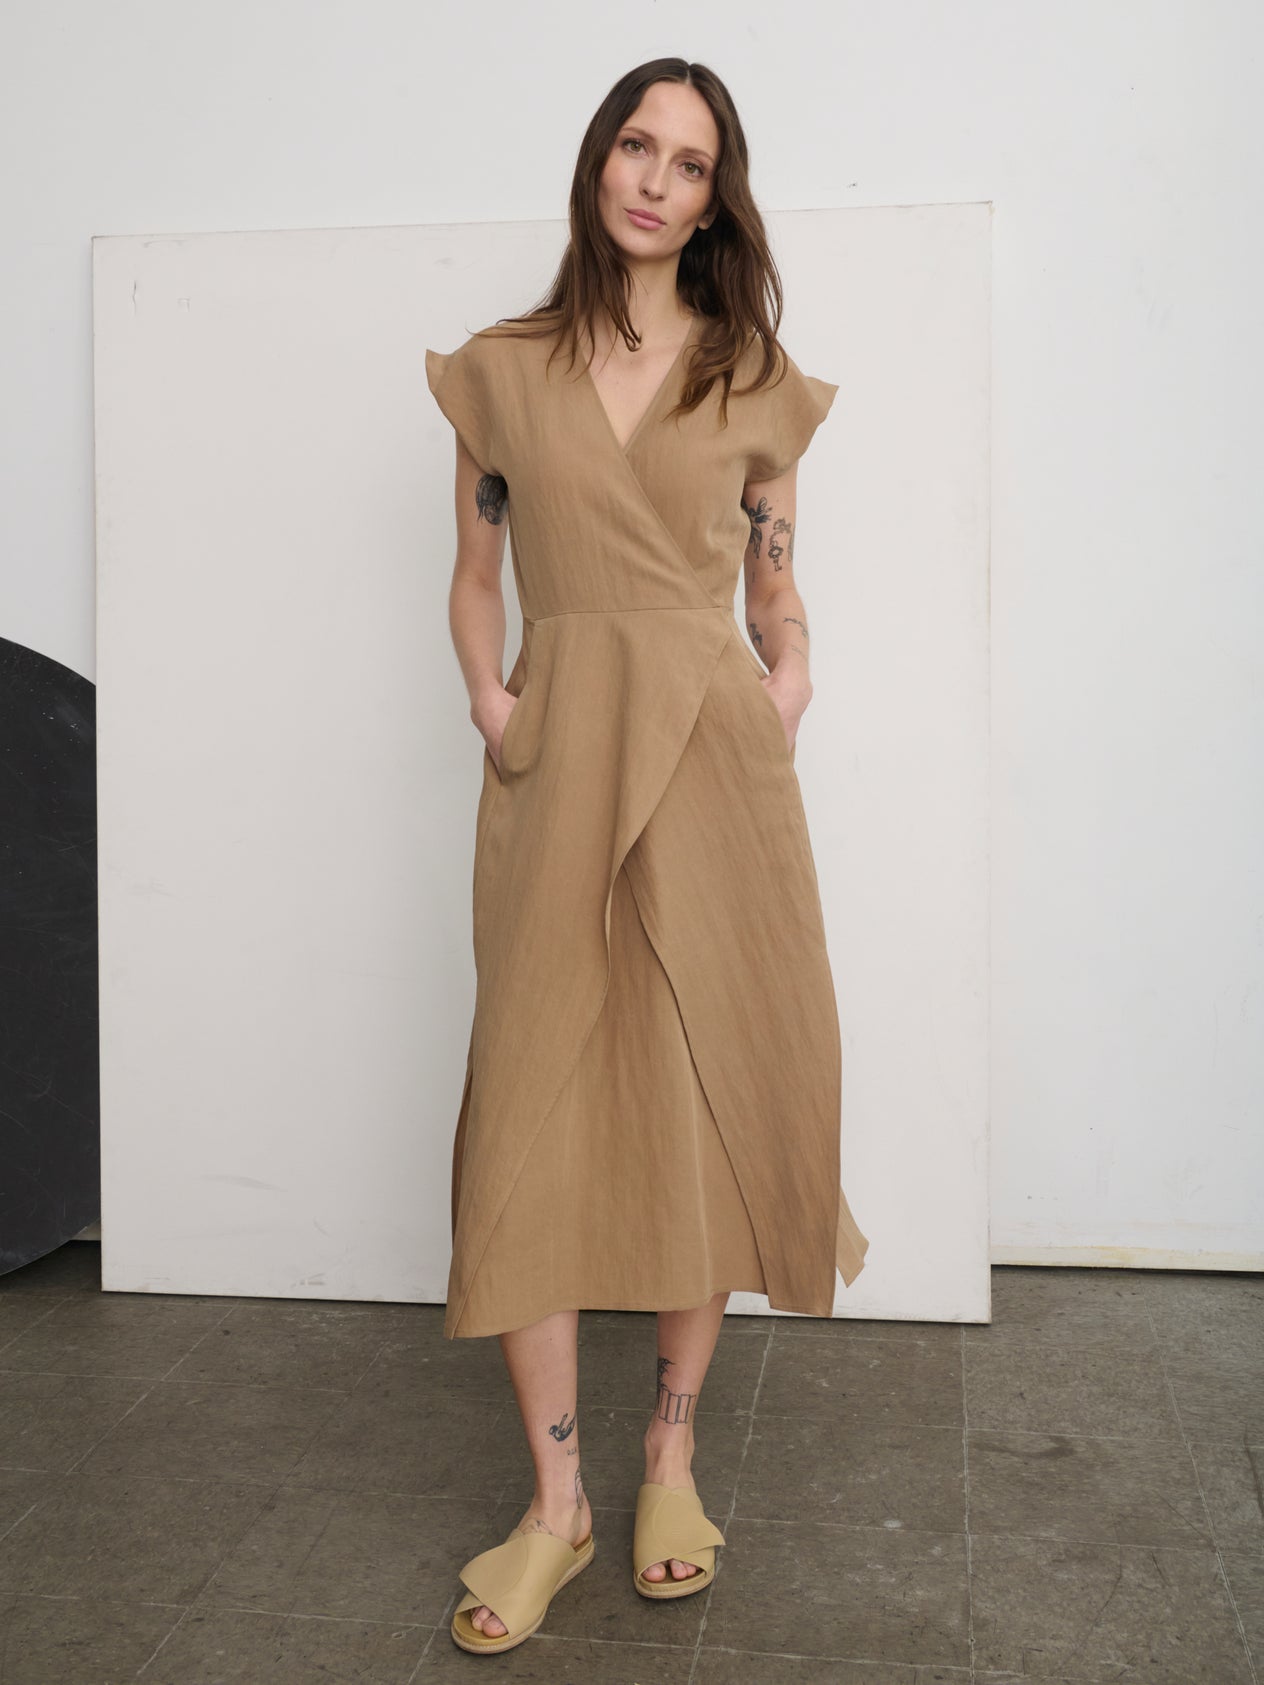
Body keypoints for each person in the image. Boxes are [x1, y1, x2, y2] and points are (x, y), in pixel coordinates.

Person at [425, 56, 869, 1656]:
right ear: (598, 161)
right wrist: (490, 695)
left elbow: (777, 585)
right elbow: (478, 574)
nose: (655, 180)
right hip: (558, 759)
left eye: (689, 162)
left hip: (710, 758)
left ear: (713, 194)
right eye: (636, 145)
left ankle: (669, 1449)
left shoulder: (753, 374)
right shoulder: (501, 371)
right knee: (528, 1115)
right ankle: (557, 1501)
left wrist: (790, 677)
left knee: (703, 1100)